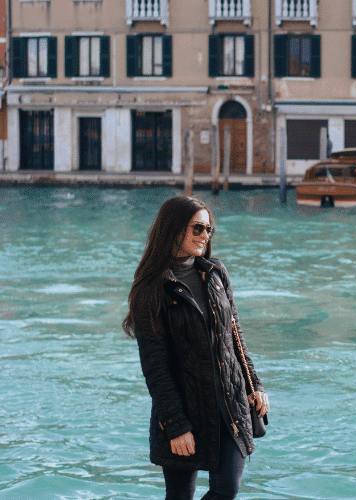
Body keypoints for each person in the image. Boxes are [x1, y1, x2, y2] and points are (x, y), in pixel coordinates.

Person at [123, 195, 269, 500]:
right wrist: (176, 426)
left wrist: (254, 383)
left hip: (230, 404)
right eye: (197, 228)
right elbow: (156, 368)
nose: (205, 236)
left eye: (209, 229)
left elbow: (235, 336)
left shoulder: (215, 273)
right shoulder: (151, 291)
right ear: (174, 229)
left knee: (226, 489)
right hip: (183, 409)